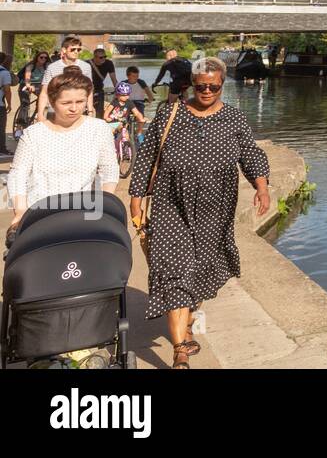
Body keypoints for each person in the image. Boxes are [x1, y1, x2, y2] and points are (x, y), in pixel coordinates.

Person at [128, 57, 271, 370]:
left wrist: (262, 187)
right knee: (173, 270)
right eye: (201, 85)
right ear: (191, 84)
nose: (207, 91)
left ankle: (188, 318)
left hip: (215, 207)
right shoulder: (170, 112)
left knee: (203, 267)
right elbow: (147, 155)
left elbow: (250, 154)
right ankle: (179, 349)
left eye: (214, 86)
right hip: (170, 202)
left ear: (222, 85)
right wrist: (136, 196)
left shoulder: (233, 118)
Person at [6, 71, 118, 244]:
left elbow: (109, 169)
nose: (74, 108)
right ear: (52, 102)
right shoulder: (33, 134)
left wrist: (106, 204)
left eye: (80, 102)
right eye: (66, 103)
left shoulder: (99, 129)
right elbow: (17, 174)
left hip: (83, 214)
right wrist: (20, 211)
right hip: (40, 215)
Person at [37, 35, 94, 119]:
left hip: (78, 111)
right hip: (55, 111)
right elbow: (44, 92)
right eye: (73, 49)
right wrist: (40, 114)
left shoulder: (86, 67)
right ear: (64, 50)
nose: (76, 52)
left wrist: (90, 111)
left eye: (78, 49)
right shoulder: (52, 67)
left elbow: (89, 90)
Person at [104, 80, 146, 152]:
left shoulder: (129, 102)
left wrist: (140, 117)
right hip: (113, 123)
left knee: (127, 137)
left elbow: (136, 112)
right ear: (117, 95)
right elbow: (106, 114)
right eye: (123, 95)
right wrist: (107, 118)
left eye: (128, 94)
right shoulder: (114, 102)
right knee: (111, 132)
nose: (126, 97)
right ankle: (110, 149)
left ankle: (128, 151)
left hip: (123, 125)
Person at [88, 47, 119, 119]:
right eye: (101, 57)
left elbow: (114, 79)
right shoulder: (87, 64)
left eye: (105, 57)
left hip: (99, 89)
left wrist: (119, 91)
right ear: (95, 57)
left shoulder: (109, 63)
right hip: (87, 89)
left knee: (99, 112)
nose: (103, 59)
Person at [0, 51, 12, 154]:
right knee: (1, 127)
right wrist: (9, 104)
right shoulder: (4, 73)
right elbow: (7, 90)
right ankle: (2, 148)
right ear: (3, 61)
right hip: (0, 105)